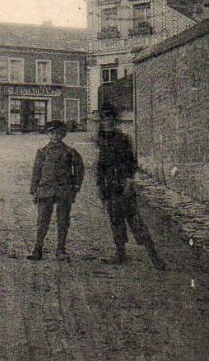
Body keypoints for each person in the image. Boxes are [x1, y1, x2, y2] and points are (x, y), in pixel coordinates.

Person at [95, 109, 168, 269]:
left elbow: (131, 162)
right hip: (109, 187)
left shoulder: (123, 139)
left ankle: (155, 257)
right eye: (104, 119)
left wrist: (129, 181)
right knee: (115, 221)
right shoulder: (101, 140)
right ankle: (120, 254)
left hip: (123, 185)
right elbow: (100, 166)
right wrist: (100, 187)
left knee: (135, 221)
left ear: (115, 121)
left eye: (110, 119)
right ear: (101, 122)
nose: (107, 122)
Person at [27, 119, 84, 261]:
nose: (55, 136)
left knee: (63, 221)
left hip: (63, 190)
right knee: (42, 221)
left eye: (58, 133)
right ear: (47, 134)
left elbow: (80, 168)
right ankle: (37, 249)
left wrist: (75, 186)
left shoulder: (70, 152)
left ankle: (61, 250)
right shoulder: (42, 152)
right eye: (52, 133)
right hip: (45, 190)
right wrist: (34, 190)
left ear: (63, 135)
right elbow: (36, 172)